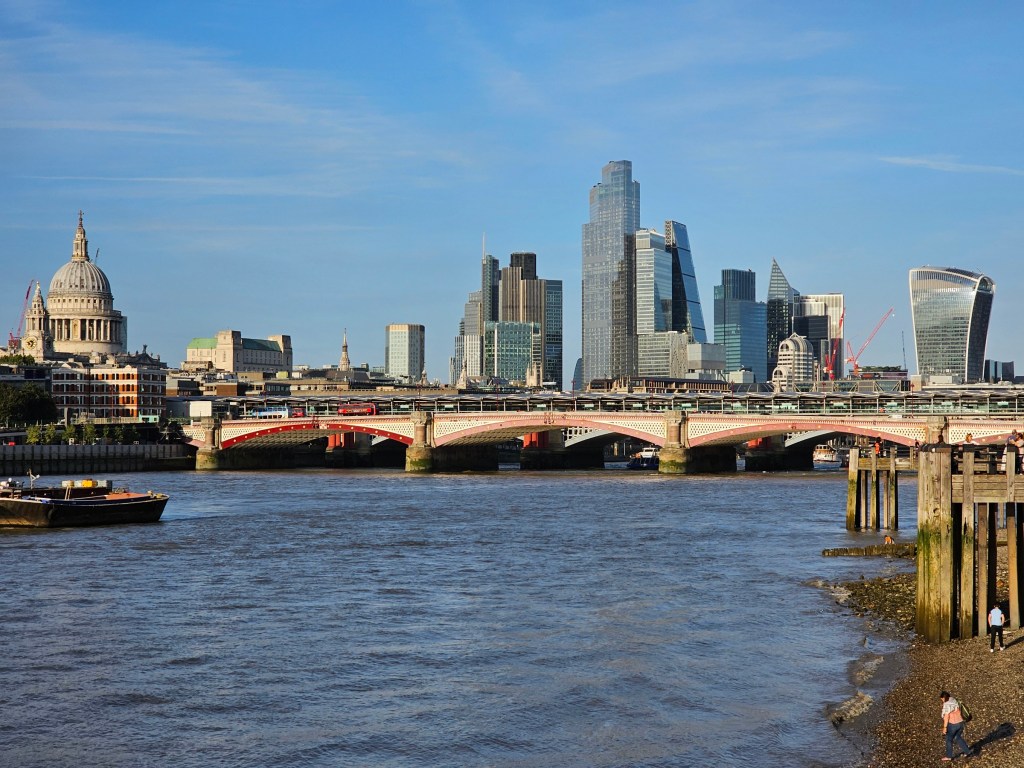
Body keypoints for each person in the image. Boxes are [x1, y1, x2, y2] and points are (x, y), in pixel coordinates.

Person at [939, 691, 974, 760]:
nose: (942, 701)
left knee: (949, 739)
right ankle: (968, 751)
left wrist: (945, 727)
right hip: (961, 723)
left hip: (953, 724)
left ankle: (949, 756)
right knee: (957, 737)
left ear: (943, 698)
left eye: (942, 699)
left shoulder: (947, 704)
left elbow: (946, 716)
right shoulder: (954, 700)